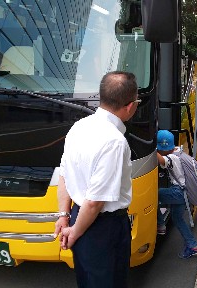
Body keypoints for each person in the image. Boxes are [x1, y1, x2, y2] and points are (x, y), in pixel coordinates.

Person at [53, 71, 140, 288]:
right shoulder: (115, 141)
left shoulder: (79, 126)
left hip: (76, 217)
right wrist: (75, 233)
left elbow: (64, 174)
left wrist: (64, 216)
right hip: (103, 228)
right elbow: (94, 202)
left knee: (87, 281)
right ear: (130, 106)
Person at [156, 130, 197, 259]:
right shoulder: (178, 151)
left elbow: (160, 160)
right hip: (185, 192)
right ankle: (194, 246)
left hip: (179, 192)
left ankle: (160, 225)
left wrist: (150, 148)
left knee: (154, 195)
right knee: (177, 218)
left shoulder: (171, 158)